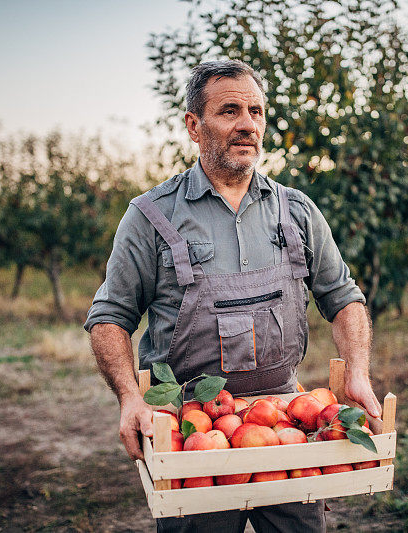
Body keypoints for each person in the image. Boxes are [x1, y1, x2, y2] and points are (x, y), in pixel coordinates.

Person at [85, 59, 381, 533]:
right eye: (229, 111)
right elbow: (109, 317)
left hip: (286, 425)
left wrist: (359, 375)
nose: (247, 124)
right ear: (194, 126)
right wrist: (128, 398)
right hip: (193, 431)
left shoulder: (297, 211)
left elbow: (343, 298)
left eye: (257, 112)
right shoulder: (151, 216)